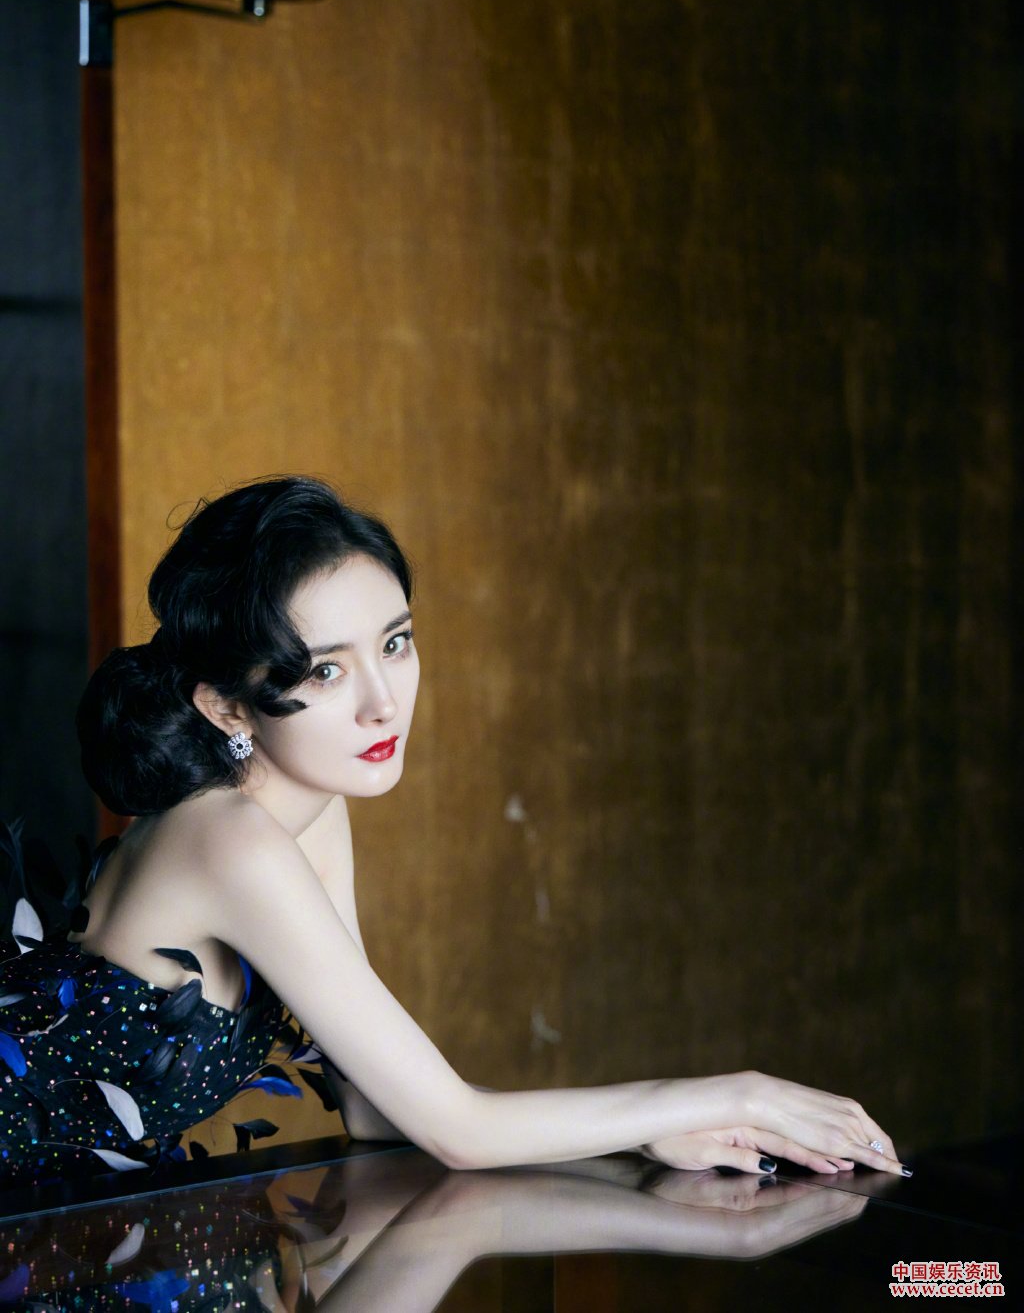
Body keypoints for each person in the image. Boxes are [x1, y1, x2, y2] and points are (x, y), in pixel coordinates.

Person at [0, 475, 911, 1185]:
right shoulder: (228, 839)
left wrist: (651, 1132)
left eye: (395, 643)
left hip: (89, 1224)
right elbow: (456, 1129)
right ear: (226, 705)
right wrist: (733, 1093)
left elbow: (371, 1105)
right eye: (325, 672)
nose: (383, 702)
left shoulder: (310, 810)